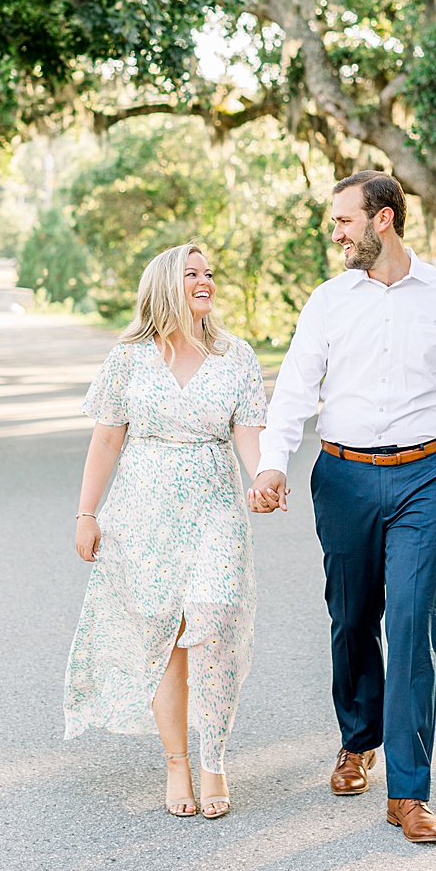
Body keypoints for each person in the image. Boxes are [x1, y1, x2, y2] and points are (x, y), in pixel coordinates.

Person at [248, 170, 436, 844]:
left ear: (383, 219)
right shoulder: (328, 302)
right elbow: (295, 391)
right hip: (344, 478)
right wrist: (272, 464)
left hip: (427, 477)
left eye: (343, 220)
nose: (335, 232)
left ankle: (409, 793)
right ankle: (357, 738)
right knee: (352, 618)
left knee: (414, 624)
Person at [65, 244, 267, 820]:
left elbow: (250, 434)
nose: (204, 281)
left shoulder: (236, 356)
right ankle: (178, 764)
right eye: (192, 274)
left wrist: (265, 478)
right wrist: (87, 513)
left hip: (215, 507)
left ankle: (214, 758)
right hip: (141, 512)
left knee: (215, 618)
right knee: (164, 636)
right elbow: (106, 438)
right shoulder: (129, 357)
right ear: (164, 286)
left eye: (209, 273)